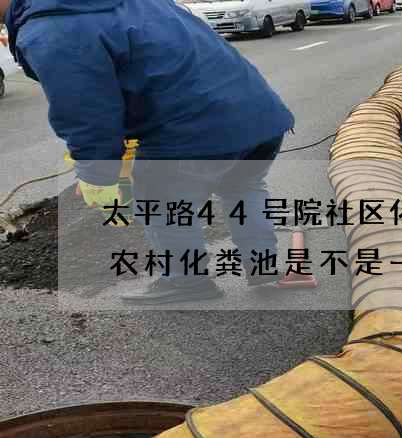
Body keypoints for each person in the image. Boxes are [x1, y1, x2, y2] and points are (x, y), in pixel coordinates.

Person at [1, 0, 294, 304]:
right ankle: (262, 266)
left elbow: (86, 112)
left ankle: (186, 281)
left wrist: (96, 176)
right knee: (243, 187)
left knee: (160, 199)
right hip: (259, 113)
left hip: (195, 127)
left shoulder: (52, 27)